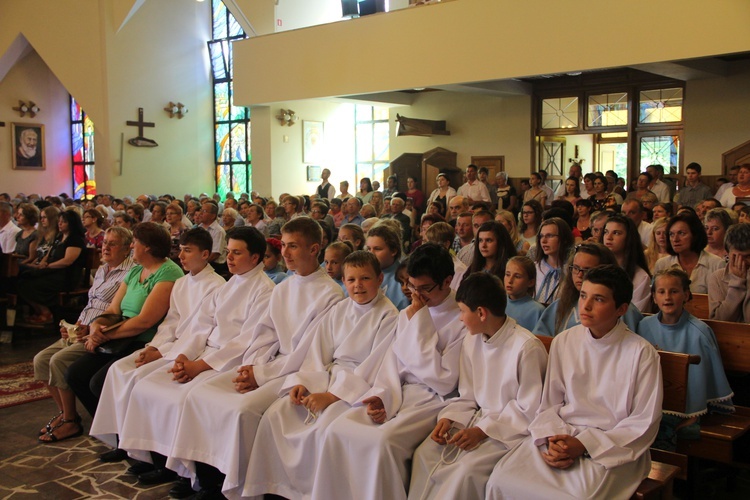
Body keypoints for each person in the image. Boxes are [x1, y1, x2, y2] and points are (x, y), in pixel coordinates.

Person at [160, 217, 343, 498]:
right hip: (268, 362)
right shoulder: (283, 288)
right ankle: (205, 478)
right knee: (201, 394)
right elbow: (265, 333)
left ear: (314, 248)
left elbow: (308, 351)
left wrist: (261, 375)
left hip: (297, 370)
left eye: (293, 246)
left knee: (241, 411)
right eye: (283, 245)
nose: (284, 253)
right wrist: (251, 366)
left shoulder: (330, 293)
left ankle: (239, 485)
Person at [108, 227, 274, 489]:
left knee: (187, 398)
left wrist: (198, 366)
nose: (229, 258)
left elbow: (244, 342)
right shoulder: (231, 283)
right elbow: (200, 326)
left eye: (237, 253)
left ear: (255, 258)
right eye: (228, 252)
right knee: (149, 385)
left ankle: (193, 475)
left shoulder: (265, 290)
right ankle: (162, 460)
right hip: (205, 354)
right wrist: (183, 357)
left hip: (226, 361)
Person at [488, 265, 662, 500]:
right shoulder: (564, 341)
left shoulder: (641, 353)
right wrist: (554, 438)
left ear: (621, 308)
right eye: (583, 296)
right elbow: (549, 404)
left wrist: (584, 444)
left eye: (598, 299)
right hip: (561, 436)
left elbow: (643, 423)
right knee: (502, 479)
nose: (585, 306)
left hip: (611, 449)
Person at [311, 244, 466, 500]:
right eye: (411, 286)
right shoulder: (410, 311)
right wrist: (382, 397)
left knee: (382, 443)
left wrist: (421, 320)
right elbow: (392, 362)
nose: (415, 295)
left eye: (424, 288)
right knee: (338, 429)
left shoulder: (461, 318)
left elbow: (443, 381)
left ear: (447, 281)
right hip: (397, 390)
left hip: (432, 400)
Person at [243, 251, 399, 498]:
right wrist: (304, 383)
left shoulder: (388, 315)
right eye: (351, 280)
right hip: (328, 377)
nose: (357, 286)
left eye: (365, 278)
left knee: (324, 429)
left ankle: (311, 493)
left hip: (355, 388)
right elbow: (318, 351)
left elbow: (374, 366)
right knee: (277, 414)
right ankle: (276, 488)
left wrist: (332, 395)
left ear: (380, 279)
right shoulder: (339, 309)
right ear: (343, 281)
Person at [88, 228, 225, 463]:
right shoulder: (182, 283)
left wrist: (167, 353)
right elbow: (171, 322)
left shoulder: (216, 285)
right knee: (118, 371)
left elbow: (201, 330)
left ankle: (158, 457)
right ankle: (126, 442)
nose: (180, 256)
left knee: (144, 383)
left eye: (187, 251)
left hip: (191, 350)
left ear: (205, 254)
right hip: (170, 344)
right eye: (180, 250)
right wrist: (154, 347)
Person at [409, 272, 547, 500]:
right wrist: (449, 418)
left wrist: (483, 431)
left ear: (481, 312)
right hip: (476, 421)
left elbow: (529, 410)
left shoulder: (526, 348)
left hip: (505, 432)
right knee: (425, 454)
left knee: (465, 472)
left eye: (463, 311)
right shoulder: (472, 339)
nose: (460, 319)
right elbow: (468, 394)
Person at [65, 222, 184, 418]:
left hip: (143, 340)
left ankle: (123, 433)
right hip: (119, 337)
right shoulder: (136, 270)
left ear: (147, 246)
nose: (131, 246)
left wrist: (103, 335)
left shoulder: (168, 272)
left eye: (134, 242)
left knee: (99, 382)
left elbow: (145, 321)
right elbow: (113, 309)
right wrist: (96, 326)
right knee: (75, 374)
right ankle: (107, 427)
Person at [34, 227, 135, 443]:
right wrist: (75, 325)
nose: (105, 247)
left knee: (58, 361)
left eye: (112, 244)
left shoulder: (130, 273)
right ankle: (65, 412)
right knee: (40, 360)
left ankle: (71, 421)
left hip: (99, 332)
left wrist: (90, 330)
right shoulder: (102, 269)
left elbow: (116, 312)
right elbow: (91, 303)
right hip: (82, 328)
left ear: (127, 249)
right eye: (105, 242)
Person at [638, 268, 733, 450]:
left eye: (674, 291)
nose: (667, 297)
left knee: (662, 429)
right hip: (652, 401)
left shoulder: (700, 332)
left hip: (688, 409)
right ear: (653, 297)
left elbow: (701, 379)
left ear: (686, 295)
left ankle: (670, 475)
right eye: (661, 292)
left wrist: (694, 413)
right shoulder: (643, 326)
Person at [534, 242, 643, 337]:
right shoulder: (559, 306)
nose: (580, 274)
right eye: (576, 268)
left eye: (588, 270)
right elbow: (542, 341)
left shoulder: (624, 311)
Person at [17, 210, 87, 324]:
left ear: (71, 223)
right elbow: (49, 254)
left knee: (28, 283)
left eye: (63, 222)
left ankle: (45, 312)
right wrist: (43, 263)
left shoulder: (75, 239)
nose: (59, 224)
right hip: (52, 271)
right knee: (22, 277)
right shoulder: (59, 237)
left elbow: (67, 261)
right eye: (59, 221)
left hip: (65, 276)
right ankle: (39, 311)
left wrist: (48, 266)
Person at [654, 212, 725, 294]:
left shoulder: (717, 264)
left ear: (695, 235)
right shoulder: (662, 264)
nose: (675, 239)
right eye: (671, 234)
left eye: (681, 233)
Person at [601, 215, 652, 311]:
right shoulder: (596, 268)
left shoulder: (641, 277)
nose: (608, 237)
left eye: (616, 233)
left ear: (629, 238)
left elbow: (635, 314)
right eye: (606, 232)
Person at [709, 222, 750, 322]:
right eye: (736, 257)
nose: (742, 263)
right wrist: (737, 283)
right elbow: (719, 321)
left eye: (748, 256)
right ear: (727, 253)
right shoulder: (717, 278)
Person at [366, 224, 410, 310]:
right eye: (368, 249)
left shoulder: (404, 279)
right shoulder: (363, 274)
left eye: (377, 249)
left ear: (393, 251)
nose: (371, 254)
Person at [533, 217, 574, 304]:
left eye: (550, 236)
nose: (543, 241)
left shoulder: (572, 270)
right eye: (541, 236)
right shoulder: (534, 268)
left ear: (564, 239)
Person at [504, 255, 545, 331]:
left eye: (517, 276)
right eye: (507, 274)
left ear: (530, 282)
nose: (510, 281)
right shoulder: (497, 303)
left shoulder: (537, 311)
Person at [423, 222, 468, 290]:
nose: (426, 247)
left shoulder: (459, 270)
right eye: (426, 242)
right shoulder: (426, 264)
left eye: (431, 243)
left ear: (446, 244)